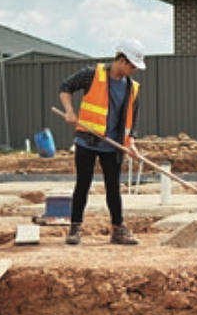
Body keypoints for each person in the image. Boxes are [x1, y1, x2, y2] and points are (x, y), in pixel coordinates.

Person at [58, 37, 146, 246]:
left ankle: (118, 230)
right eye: (132, 65)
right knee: (83, 183)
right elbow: (66, 86)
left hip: (113, 145)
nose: (134, 70)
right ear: (122, 60)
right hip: (87, 140)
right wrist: (70, 111)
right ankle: (75, 227)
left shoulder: (132, 88)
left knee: (113, 187)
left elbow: (132, 119)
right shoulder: (92, 74)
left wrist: (131, 142)